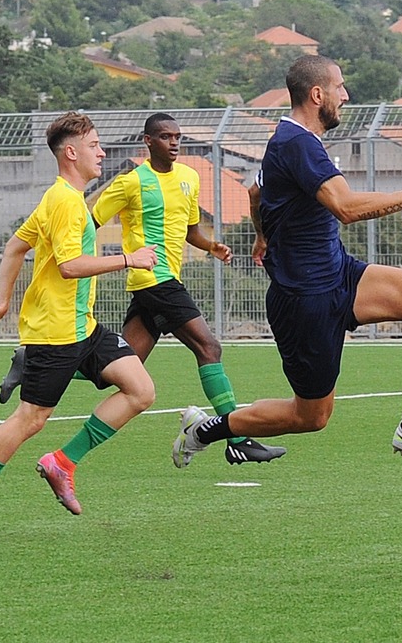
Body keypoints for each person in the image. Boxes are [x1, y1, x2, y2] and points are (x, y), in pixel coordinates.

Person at [173, 55, 402, 469]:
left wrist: (262, 235)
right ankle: (205, 429)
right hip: (305, 299)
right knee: (310, 417)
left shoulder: (295, 141)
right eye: (339, 87)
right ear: (317, 94)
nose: (345, 96)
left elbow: (257, 194)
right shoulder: (296, 143)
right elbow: (345, 207)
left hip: (339, 273)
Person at [0, 111, 157, 537]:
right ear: (72, 152)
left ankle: (61, 462)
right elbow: (69, 266)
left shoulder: (62, 198)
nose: (101, 152)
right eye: (95, 145)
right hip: (55, 333)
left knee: (141, 390)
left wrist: (4, 302)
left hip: (84, 328)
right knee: (31, 419)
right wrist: (129, 259)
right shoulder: (65, 203)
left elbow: (14, 247)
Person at [89, 112, 283, 464]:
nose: (174, 142)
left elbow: (191, 229)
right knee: (209, 347)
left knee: (118, 367)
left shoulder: (189, 178)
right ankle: (236, 437)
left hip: (164, 282)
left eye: (178, 136)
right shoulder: (131, 182)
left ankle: (36, 361)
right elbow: (89, 223)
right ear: (148, 141)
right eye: (165, 137)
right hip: (153, 280)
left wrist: (211, 246)